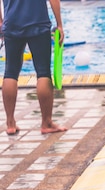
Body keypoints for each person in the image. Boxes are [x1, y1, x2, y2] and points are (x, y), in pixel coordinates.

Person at [0, 0, 68, 135]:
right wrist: (59, 24)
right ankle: (46, 123)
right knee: (43, 72)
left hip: (12, 23)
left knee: (10, 72)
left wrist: (1, 22)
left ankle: (10, 123)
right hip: (38, 22)